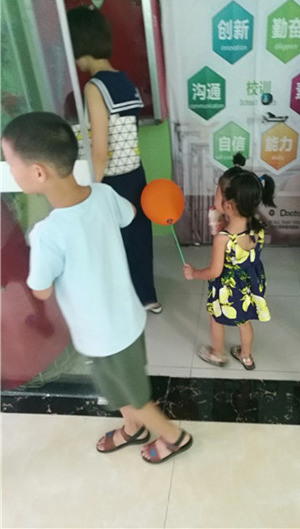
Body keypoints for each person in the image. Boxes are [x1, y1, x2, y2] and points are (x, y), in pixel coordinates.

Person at [1, 112, 192, 464]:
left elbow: (41, 291)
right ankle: (133, 429)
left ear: (39, 172)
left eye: (10, 162)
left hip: (106, 335)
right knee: (119, 387)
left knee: (134, 396)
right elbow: (129, 213)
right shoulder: (103, 194)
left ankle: (174, 436)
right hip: (126, 319)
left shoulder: (48, 234)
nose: (9, 170)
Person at [67, 6, 162, 314]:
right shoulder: (125, 81)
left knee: (113, 242)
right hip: (135, 174)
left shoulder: (95, 87)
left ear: (78, 44)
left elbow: (100, 149)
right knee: (138, 238)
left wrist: (89, 191)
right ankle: (147, 297)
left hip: (111, 181)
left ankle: (123, 304)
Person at [183, 153, 276, 370]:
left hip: (228, 288)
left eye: (217, 193)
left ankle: (217, 353)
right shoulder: (257, 225)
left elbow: (215, 272)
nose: (214, 196)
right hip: (249, 284)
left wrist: (194, 273)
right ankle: (246, 357)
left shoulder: (223, 239)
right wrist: (222, 221)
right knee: (244, 321)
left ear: (230, 205)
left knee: (216, 318)